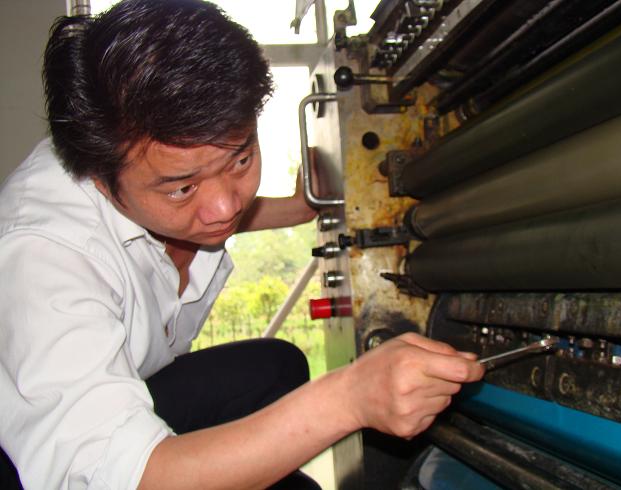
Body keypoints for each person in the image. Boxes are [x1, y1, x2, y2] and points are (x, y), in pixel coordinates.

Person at [0, 1, 485, 488]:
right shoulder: (43, 257)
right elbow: (123, 478)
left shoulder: (163, 193)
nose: (225, 207)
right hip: (36, 465)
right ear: (100, 181)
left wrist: (297, 207)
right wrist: (350, 399)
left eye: (240, 160)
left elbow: (209, 206)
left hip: (136, 385)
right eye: (183, 188)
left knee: (278, 368)